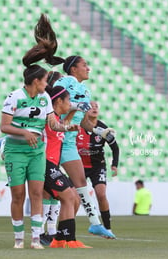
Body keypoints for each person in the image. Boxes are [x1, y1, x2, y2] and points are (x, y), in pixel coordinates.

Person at [0, 14, 76, 250]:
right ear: (35, 81)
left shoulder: (44, 98)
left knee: (36, 193)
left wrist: (66, 126)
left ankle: (35, 239)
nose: (47, 85)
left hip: (36, 152)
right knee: (18, 196)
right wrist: (24, 133)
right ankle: (18, 239)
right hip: (15, 150)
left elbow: (52, 123)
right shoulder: (14, 97)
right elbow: (4, 126)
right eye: (44, 81)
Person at [53, 56, 116, 239]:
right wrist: (76, 105)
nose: (88, 68)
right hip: (56, 138)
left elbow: (82, 122)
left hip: (69, 142)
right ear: (73, 69)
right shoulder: (63, 82)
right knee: (48, 192)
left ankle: (93, 225)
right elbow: (55, 105)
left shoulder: (86, 91)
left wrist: (99, 132)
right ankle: (47, 232)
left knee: (80, 184)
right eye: (84, 65)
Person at [43, 85, 91, 248]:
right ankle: (70, 240)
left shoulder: (57, 119)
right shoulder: (47, 119)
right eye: (68, 100)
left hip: (53, 165)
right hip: (44, 164)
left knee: (75, 198)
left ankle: (59, 239)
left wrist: (74, 110)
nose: (70, 103)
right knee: (69, 197)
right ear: (58, 101)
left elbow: (64, 123)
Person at [76, 101, 119, 235]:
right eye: (91, 107)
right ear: (85, 111)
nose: (94, 109)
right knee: (74, 198)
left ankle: (107, 227)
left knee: (101, 194)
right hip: (79, 166)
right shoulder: (77, 127)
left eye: (96, 107)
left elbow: (115, 147)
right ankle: (66, 229)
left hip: (97, 166)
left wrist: (114, 165)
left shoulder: (103, 129)